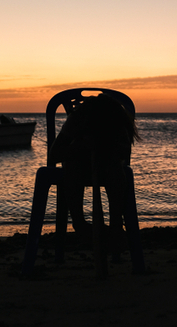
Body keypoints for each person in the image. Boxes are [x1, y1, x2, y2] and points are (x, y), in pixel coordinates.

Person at [48, 93, 140, 239]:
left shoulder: (116, 119)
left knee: (116, 170)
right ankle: (79, 223)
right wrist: (82, 146)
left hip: (109, 166)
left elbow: (124, 152)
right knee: (72, 168)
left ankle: (116, 223)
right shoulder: (78, 118)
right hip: (78, 165)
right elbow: (55, 155)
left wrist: (106, 148)